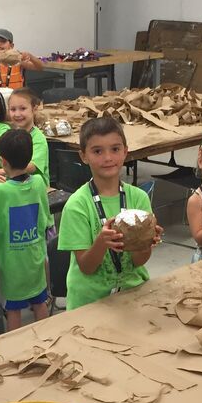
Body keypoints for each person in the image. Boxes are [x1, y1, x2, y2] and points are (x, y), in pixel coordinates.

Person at [57, 117, 162, 310]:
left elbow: (139, 261)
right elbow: (86, 267)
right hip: (90, 301)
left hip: (132, 293)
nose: (108, 158)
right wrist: (101, 243)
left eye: (115, 149)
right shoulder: (77, 205)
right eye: (97, 151)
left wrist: (146, 242)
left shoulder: (139, 198)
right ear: (83, 156)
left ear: (125, 152)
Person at [0, 130, 51, 330]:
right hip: (36, 258)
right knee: (40, 303)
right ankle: (49, 336)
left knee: (13, 309)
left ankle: (14, 346)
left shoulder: (0, 191)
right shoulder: (39, 183)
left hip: (13, 265)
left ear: (3, 161)